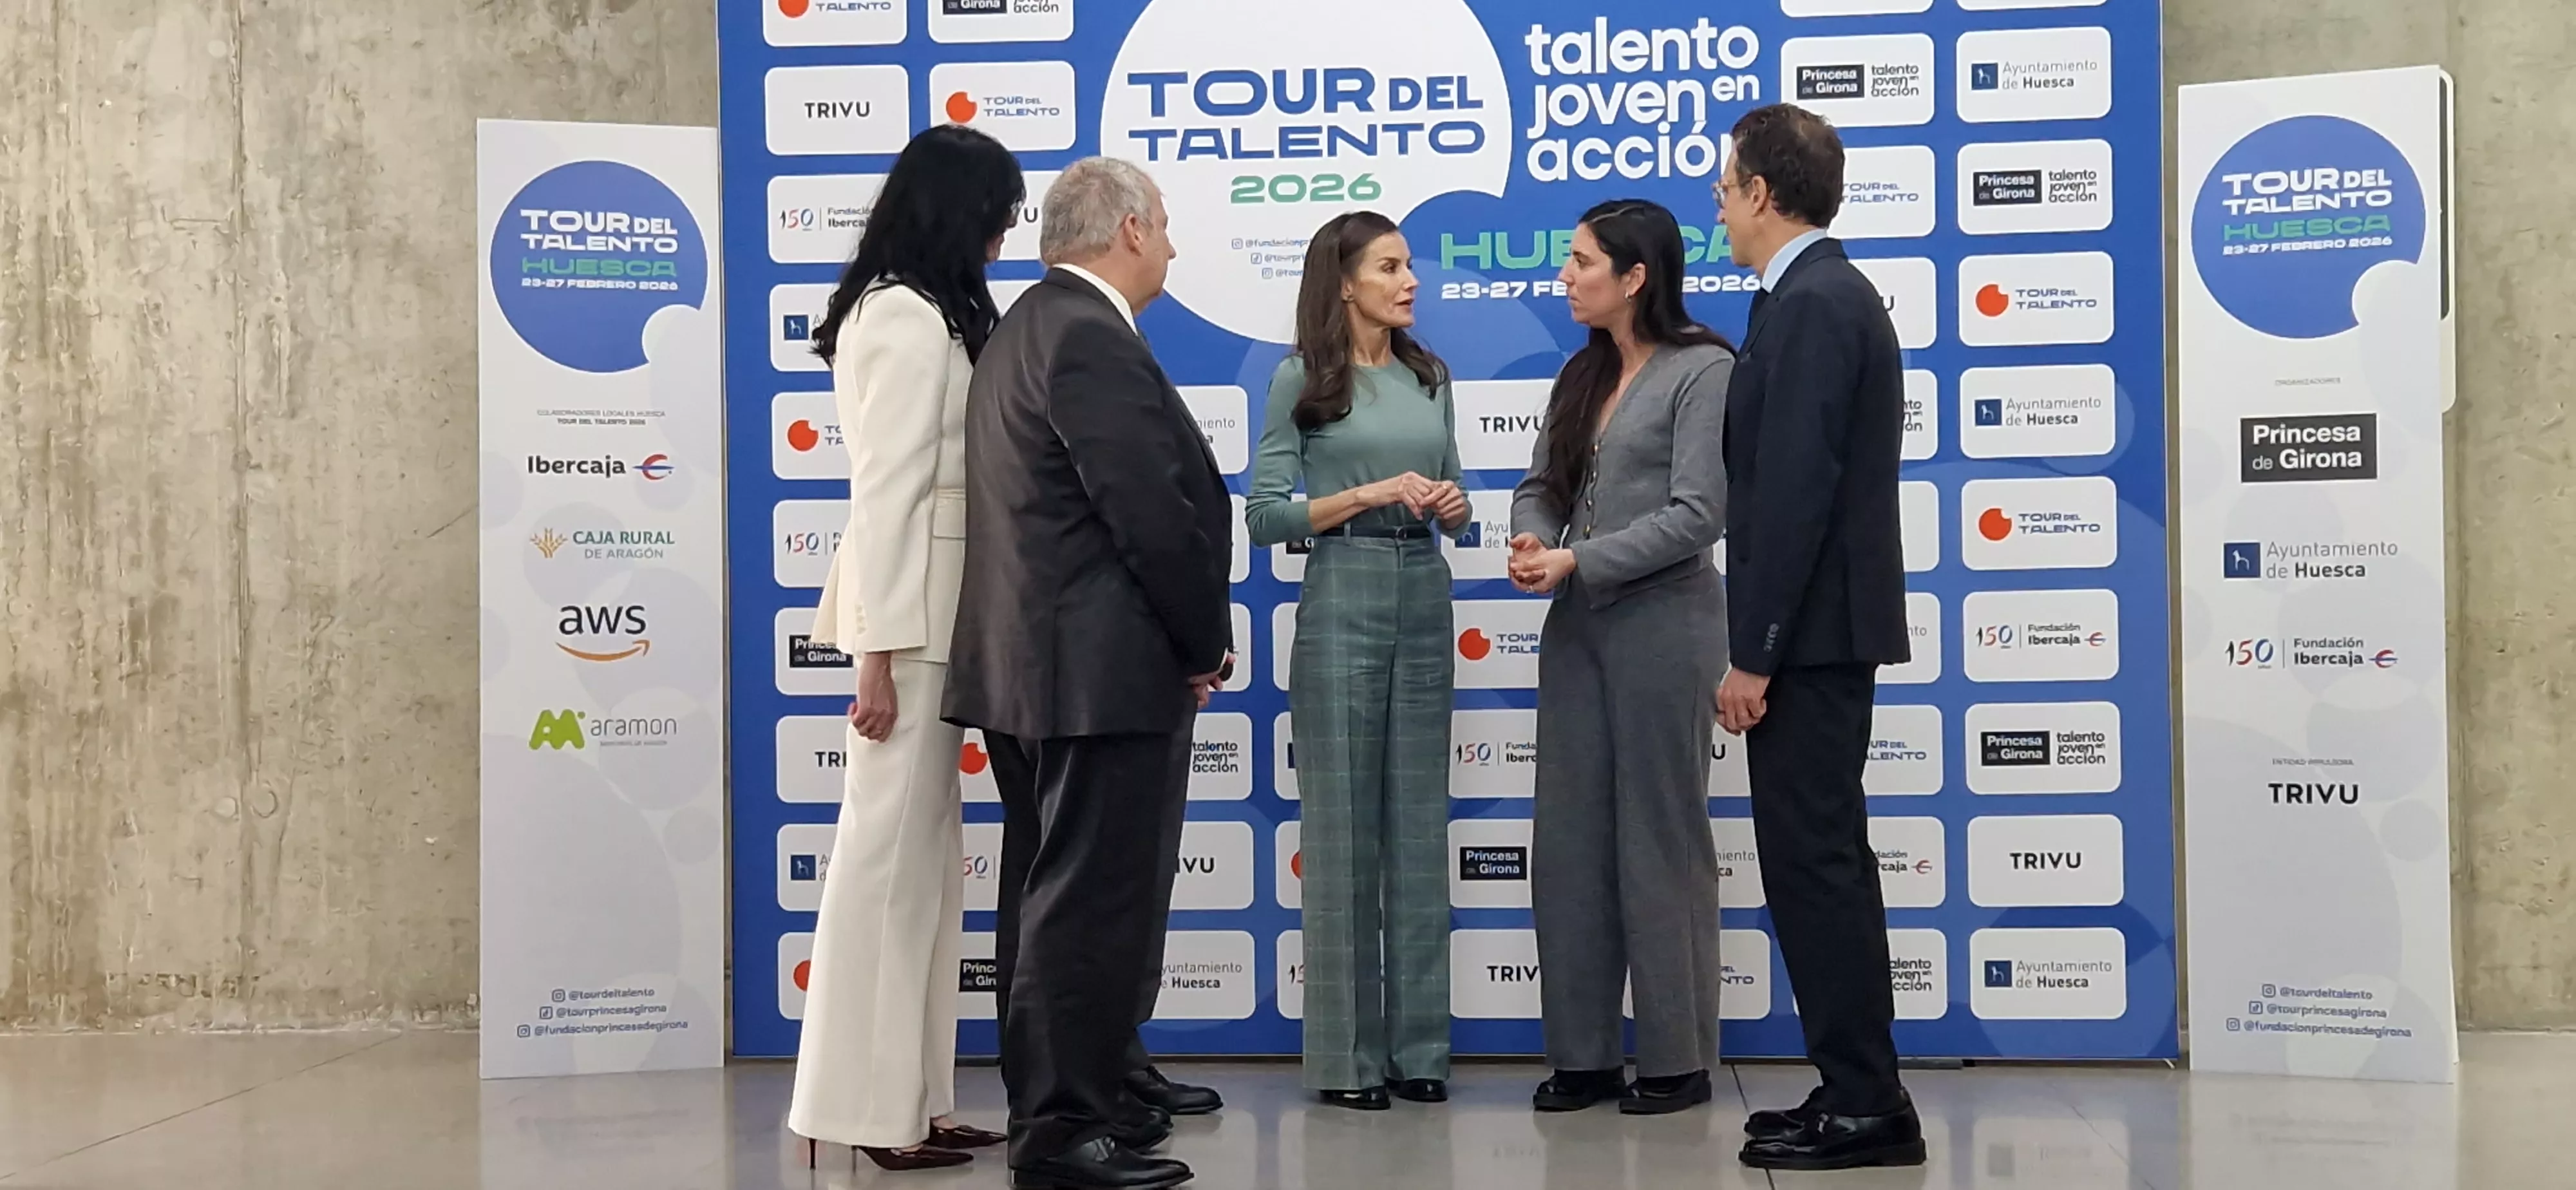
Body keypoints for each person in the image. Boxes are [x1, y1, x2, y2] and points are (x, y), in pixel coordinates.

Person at [942, 156, 1232, 1190]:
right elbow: (1147, 511)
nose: (1173, 248)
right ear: (1130, 230)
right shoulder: (1086, 334)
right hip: (1094, 672)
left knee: (1048, 896)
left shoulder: (1029, 325)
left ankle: (1080, 1099)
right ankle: (1063, 1131)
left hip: (1041, 669)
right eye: (1166, 226)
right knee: (1083, 906)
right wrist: (1199, 642)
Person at [786, 124, 1023, 1175]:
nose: (1005, 233)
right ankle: (858, 1109)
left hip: (944, 611)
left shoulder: (931, 308)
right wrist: (876, 654)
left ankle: (916, 1101)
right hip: (911, 618)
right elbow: (883, 490)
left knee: (924, 866)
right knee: (884, 865)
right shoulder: (900, 314)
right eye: (998, 212)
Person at [1712, 103, 1926, 1171]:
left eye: (1725, 188)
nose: (1719, 207)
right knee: (1817, 860)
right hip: (1820, 629)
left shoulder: (1813, 305)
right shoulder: (1811, 299)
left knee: (1818, 864)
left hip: (1810, 636)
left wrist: (1755, 652)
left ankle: (1868, 1103)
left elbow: (1794, 494)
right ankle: (1852, 1085)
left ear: (1762, 193)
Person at [1508, 198, 1736, 1117]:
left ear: (1636, 276)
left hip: (1667, 626)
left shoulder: (1703, 368)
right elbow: (1542, 485)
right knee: (1568, 843)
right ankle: (1585, 1057)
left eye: (1583, 261)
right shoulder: (1582, 371)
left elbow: (1699, 514)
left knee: (1659, 838)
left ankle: (1677, 1060)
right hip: (1579, 632)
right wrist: (1535, 539)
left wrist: (1581, 559)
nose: (1566, 276)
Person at [1244, 211, 1469, 1111]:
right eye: (1389, 267)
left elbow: (1461, 504)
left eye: (1409, 265)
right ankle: (1345, 1062)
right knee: (1340, 832)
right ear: (1343, 283)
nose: (1410, 281)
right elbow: (1265, 517)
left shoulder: (1430, 376)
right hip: (1342, 588)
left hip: (1425, 588)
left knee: (1418, 829)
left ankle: (1422, 1052)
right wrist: (1366, 493)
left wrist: (1453, 508)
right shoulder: (1300, 379)